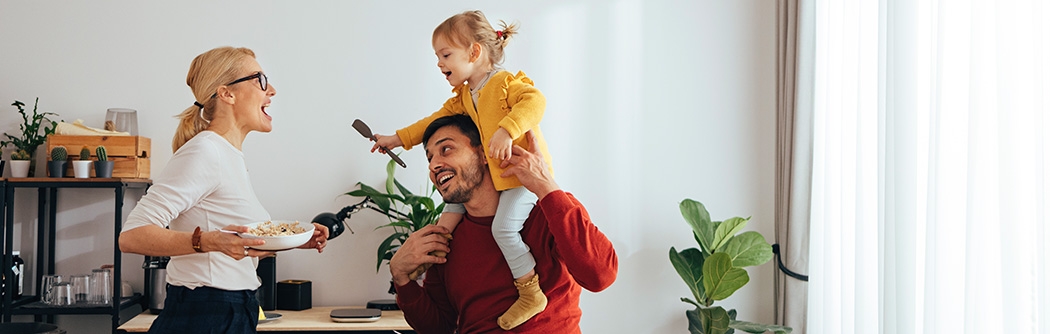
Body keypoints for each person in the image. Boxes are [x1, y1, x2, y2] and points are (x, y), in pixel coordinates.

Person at [118, 46, 329, 334]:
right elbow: (131, 237)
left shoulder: (227, 155)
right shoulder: (206, 151)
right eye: (260, 80)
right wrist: (210, 241)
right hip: (205, 313)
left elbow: (232, 240)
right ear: (226, 93)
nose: (273, 90)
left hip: (232, 309)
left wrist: (292, 241)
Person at [371, 10, 555, 329]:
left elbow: (535, 102)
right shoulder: (465, 97)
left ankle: (529, 291)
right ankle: (423, 272)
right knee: (445, 227)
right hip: (494, 180)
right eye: (437, 57)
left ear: (473, 52)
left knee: (504, 230)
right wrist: (397, 139)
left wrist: (507, 130)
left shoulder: (504, 83)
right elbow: (432, 123)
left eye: (445, 55)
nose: (440, 64)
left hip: (518, 181)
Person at [389, 114, 618, 333]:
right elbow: (439, 328)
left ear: (483, 154)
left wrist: (545, 185)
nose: (433, 166)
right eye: (430, 158)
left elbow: (600, 277)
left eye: (446, 149)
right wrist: (401, 277)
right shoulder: (445, 238)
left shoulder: (549, 210)